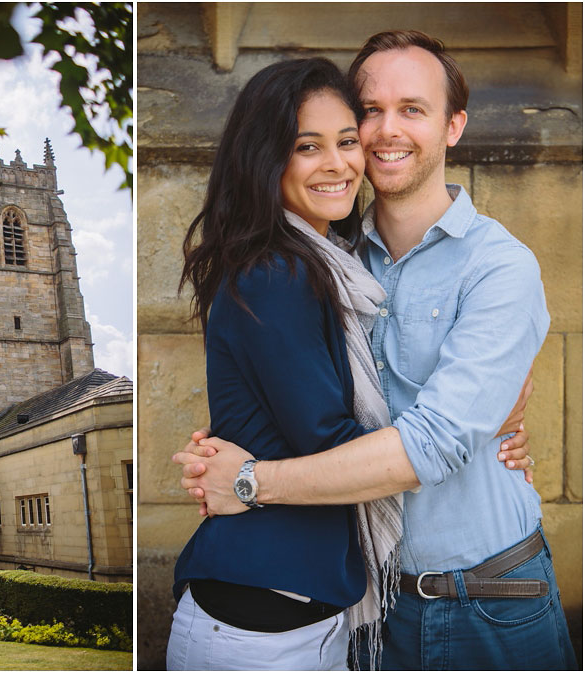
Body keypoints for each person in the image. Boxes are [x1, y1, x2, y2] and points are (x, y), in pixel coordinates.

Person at [175, 30, 576, 670]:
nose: (387, 131)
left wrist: (250, 480)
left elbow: (436, 440)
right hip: (371, 599)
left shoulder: (499, 267)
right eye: (370, 111)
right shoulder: (324, 258)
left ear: (453, 126)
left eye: (413, 109)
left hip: (485, 597)